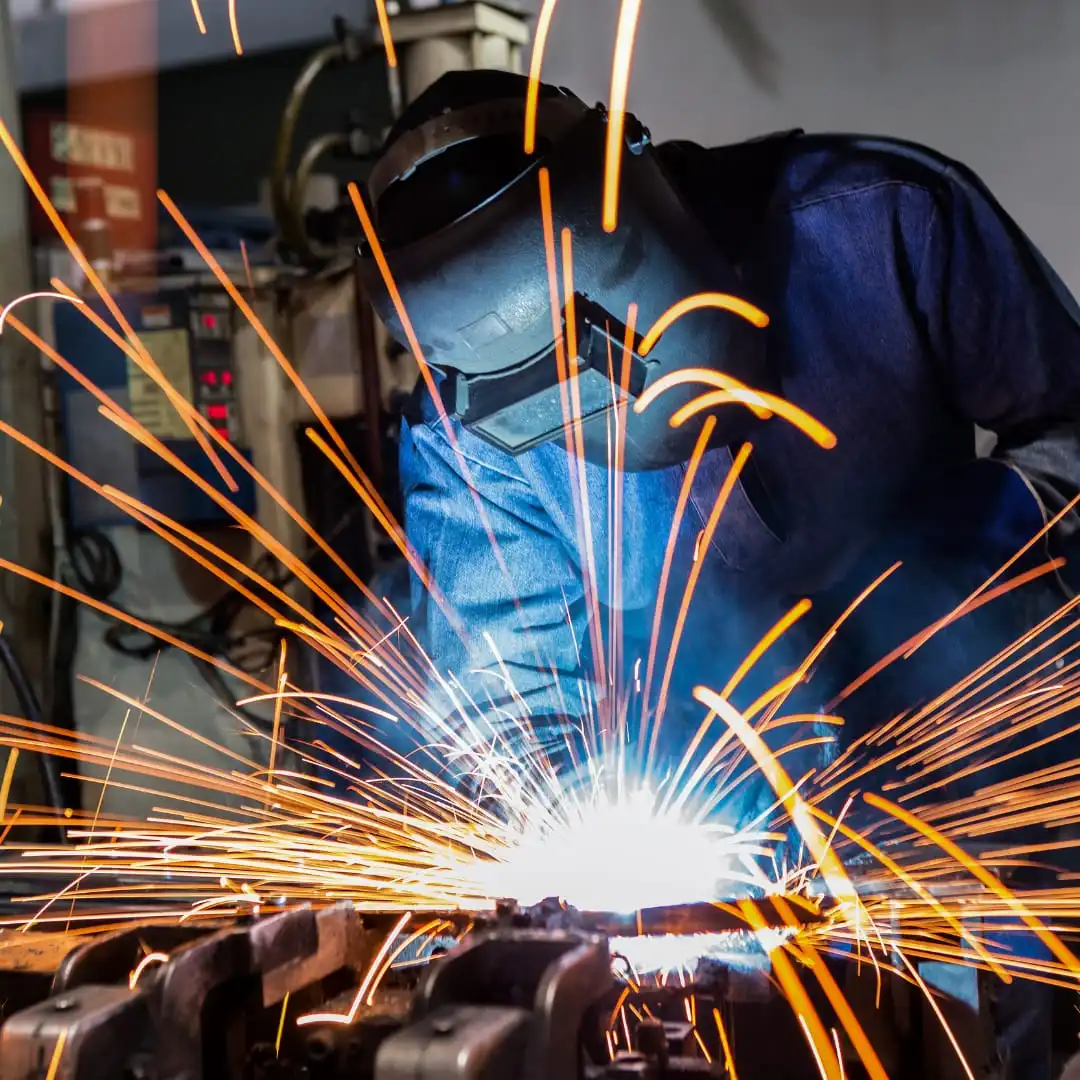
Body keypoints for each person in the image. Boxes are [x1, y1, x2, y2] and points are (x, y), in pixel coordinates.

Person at [354, 70, 1080, 1078]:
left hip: (969, 793)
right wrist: (583, 818)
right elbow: (509, 696)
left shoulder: (883, 221)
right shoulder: (465, 428)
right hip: (728, 841)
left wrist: (969, 567)